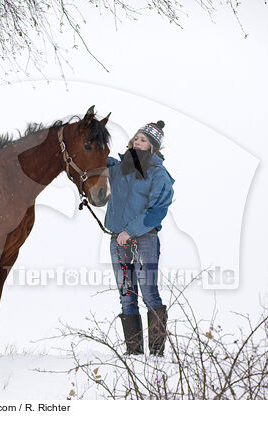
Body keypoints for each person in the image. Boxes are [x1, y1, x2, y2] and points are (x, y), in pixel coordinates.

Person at [105, 120, 175, 356]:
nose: (137, 141)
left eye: (143, 140)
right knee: (126, 295)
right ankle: (133, 353)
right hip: (118, 242)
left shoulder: (159, 174)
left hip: (144, 240)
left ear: (153, 146)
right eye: (136, 138)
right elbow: (95, 161)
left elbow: (157, 211)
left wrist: (130, 231)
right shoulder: (118, 168)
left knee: (148, 293)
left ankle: (156, 354)